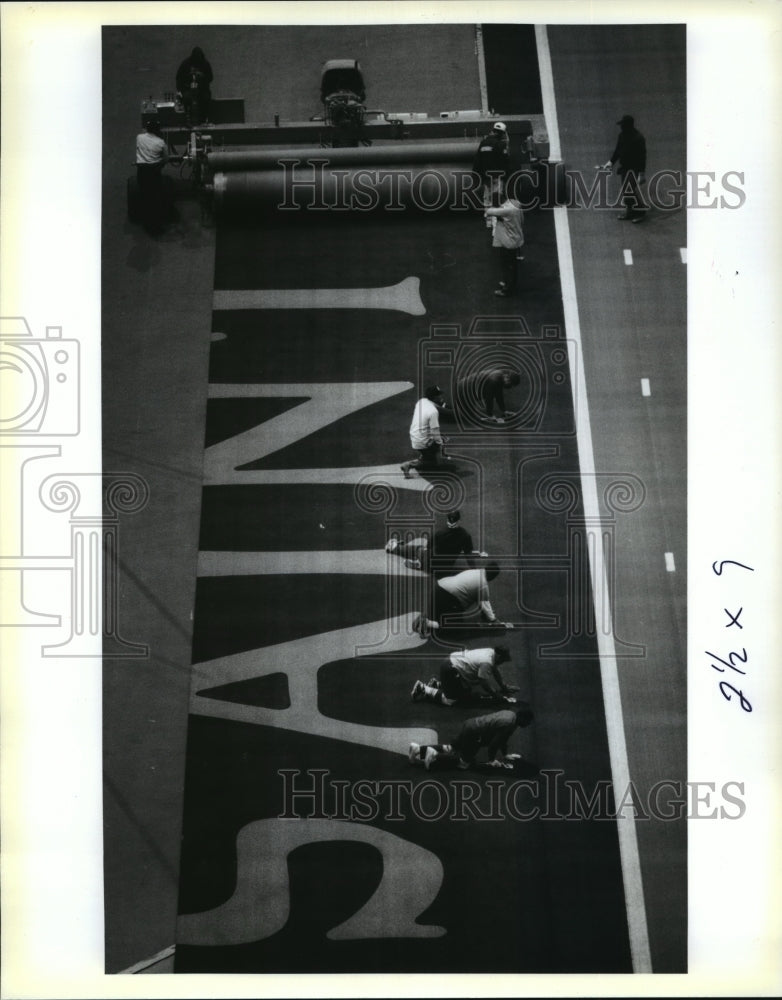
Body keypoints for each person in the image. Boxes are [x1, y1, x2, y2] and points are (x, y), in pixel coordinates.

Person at [408, 705, 534, 770]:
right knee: (464, 763)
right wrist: (491, 760)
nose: (528, 725)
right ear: (523, 719)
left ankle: (418, 749)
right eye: (528, 722)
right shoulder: (509, 724)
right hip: (475, 734)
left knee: (451, 748)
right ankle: (434, 757)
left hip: (470, 724)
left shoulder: (511, 715)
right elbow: (494, 744)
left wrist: (505, 754)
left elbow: (503, 740)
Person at [412, 561, 514, 634]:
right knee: (455, 628)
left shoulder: (475, 572)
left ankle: (428, 615)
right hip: (447, 597)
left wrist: (487, 614)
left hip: (438, 588)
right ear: (492, 577)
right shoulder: (483, 584)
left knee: (438, 615)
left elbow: (482, 602)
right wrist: (494, 620)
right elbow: (485, 604)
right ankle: (428, 623)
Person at [410, 645, 519, 706]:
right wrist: (496, 695)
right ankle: (424, 688)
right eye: (503, 660)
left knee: (467, 690)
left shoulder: (491, 652)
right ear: (499, 656)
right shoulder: (487, 662)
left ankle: (438, 684)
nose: (503, 662)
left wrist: (504, 686)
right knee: (451, 700)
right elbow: (484, 683)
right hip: (450, 668)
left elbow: (495, 671)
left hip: (454, 663)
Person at [386, 510, 487, 574]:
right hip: (446, 568)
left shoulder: (439, 533)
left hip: (431, 563)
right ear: (459, 520)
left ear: (447, 519)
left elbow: (427, 547)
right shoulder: (465, 535)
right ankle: (418, 561)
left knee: (418, 549)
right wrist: (475, 569)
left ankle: (395, 547)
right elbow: (468, 554)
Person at [602, 114, 647, 222]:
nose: (621, 127)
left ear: (628, 126)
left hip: (634, 169)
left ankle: (641, 211)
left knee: (628, 189)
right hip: (625, 167)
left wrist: (641, 174)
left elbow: (642, 157)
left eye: (623, 125)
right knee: (626, 190)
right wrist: (610, 162)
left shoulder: (638, 138)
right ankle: (631, 211)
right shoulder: (622, 135)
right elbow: (618, 150)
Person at [400, 385, 449, 479]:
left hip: (415, 435)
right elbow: (435, 431)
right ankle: (409, 464)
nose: (441, 397)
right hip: (422, 441)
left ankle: (426, 455)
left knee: (438, 440)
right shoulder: (433, 412)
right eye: (439, 395)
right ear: (434, 397)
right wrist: (440, 444)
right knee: (432, 462)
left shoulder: (421, 402)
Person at [135, 118, 170, 234]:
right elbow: (165, 159)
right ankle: (156, 225)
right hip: (154, 172)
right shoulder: (160, 143)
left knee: (145, 195)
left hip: (142, 171)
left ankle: (146, 221)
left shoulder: (139, 138)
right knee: (155, 197)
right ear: (158, 131)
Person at [484, 195, 524, 296]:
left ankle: (507, 289)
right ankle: (510, 284)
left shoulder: (506, 210)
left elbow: (488, 211)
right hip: (516, 237)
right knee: (512, 265)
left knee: (507, 265)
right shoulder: (516, 203)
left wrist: (487, 203)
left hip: (508, 242)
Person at [473, 122, 510, 224]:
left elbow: (477, 160)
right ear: (502, 133)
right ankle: (495, 224)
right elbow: (504, 161)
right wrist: (506, 175)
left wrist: (476, 175)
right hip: (497, 176)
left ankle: (488, 221)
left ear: (493, 131)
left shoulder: (483, 143)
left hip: (485, 176)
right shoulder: (501, 144)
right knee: (497, 198)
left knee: (487, 198)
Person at [456, 368, 521, 423]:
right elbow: (489, 398)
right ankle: (450, 412)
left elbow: (499, 396)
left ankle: (452, 410)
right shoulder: (494, 380)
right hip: (462, 390)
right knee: (467, 419)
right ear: (507, 377)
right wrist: (490, 415)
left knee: (468, 416)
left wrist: (504, 410)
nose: (509, 386)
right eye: (510, 383)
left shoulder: (500, 377)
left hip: (464, 388)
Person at [176, 46, 213, 124]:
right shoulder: (186, 64)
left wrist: (202, 76)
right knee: (186, 98)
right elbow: (179, 78)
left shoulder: (205, 64)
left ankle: (204, 119)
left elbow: (210, 77)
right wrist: (180, 90)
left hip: (202, 89)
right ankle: (187, 120)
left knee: (206, 98)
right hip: (187, 88)